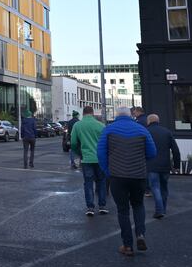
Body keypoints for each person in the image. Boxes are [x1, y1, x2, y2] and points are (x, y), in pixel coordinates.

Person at [97, 106, 157, 257]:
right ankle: (140, 234)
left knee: (123, 210)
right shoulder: (142, 130)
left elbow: (101, 153)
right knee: (138, 205)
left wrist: (108, 171)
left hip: (118, 176)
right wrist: (139, 162)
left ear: (116, 115)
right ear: (130, 115)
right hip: (138, 176)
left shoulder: (108, 130)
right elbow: (152, 152)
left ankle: (128, 245)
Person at [71, 105, 108, 216]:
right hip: (100, 159)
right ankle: (102, 206)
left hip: (86, 159)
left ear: (83, 113)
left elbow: (73, 143)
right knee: (101, 182)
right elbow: (106, 142)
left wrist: (80, 152)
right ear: (92, 113)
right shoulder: (101, 125)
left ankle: (90, 207)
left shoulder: (78, 125)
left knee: (88, 183)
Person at [146, 114, 181, 219]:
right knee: (164, 188)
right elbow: (175, 150)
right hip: (165, 165)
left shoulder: (146, 132)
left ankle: (159, 210)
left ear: (148, 121)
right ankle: (163, 209)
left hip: (151, 165)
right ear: (158, 121)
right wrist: (176, 165)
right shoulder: (167, 132)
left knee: (155, 187)